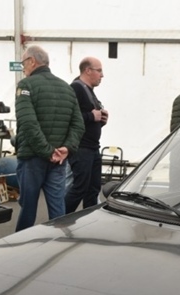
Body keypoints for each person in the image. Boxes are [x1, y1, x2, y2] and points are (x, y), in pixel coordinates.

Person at [13, 45, 84, 232]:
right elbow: (78, 125)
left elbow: (28, 123)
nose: (23, 67)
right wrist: (66, 149)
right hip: (59, 159)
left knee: (28, 208)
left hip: (33, 158)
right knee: (57, 207)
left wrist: (47, 151)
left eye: (23, 63)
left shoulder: (25, 85)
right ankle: (58, 242)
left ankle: (20, 244)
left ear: (32, 61)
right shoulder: (67, 88)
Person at [64, 56, 108, 215]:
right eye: (99, 70)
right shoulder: (76, 88)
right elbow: (68, 117)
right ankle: (59, 220)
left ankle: (89, 220)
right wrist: (91, 116)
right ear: (88, 70)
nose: (102, 75)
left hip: (93, 148)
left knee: (93, 189)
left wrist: (101, 120)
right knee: (80, 187)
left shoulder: (89, 91)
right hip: (82, 148)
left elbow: (88, 118)